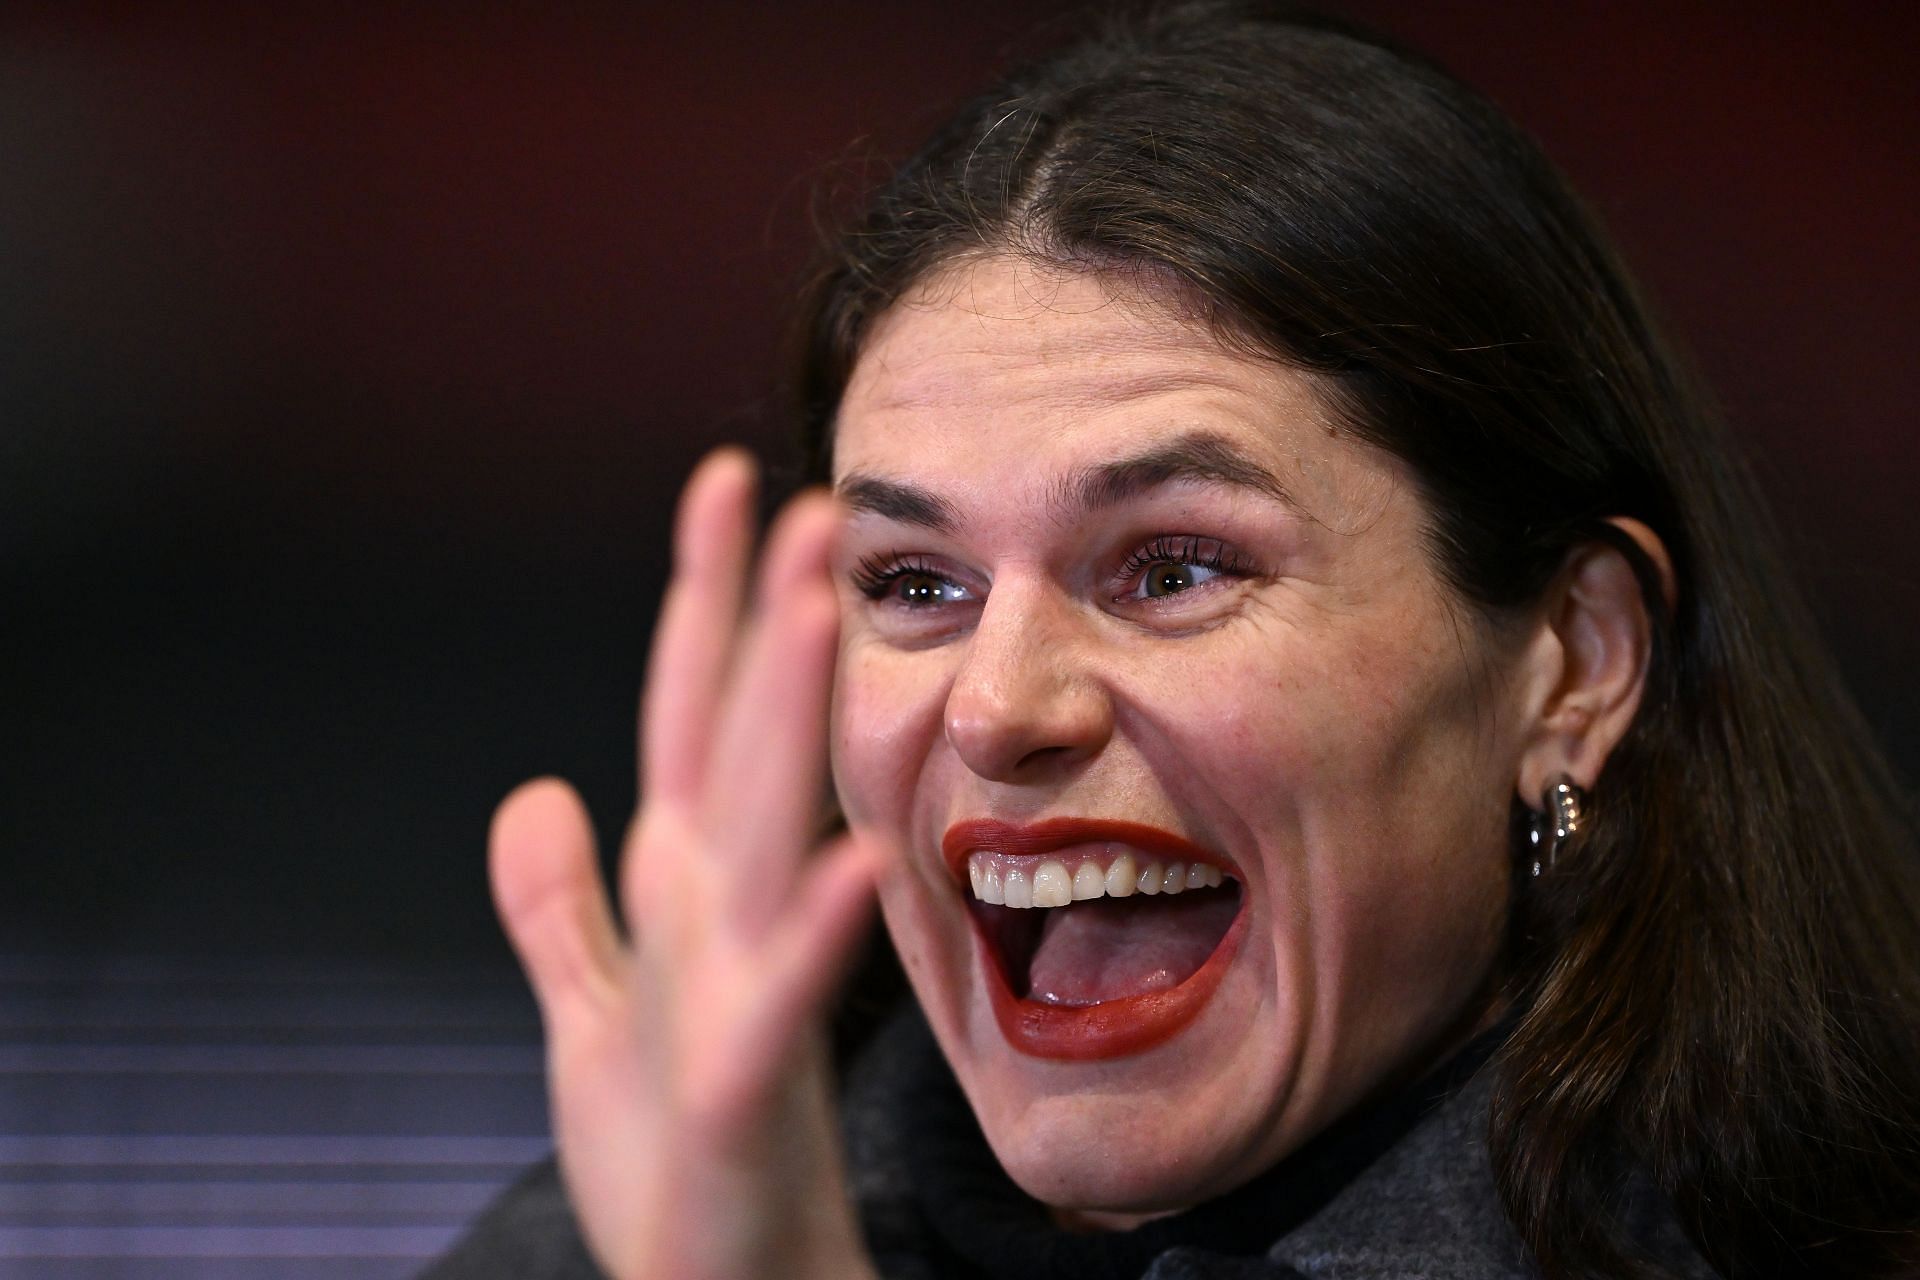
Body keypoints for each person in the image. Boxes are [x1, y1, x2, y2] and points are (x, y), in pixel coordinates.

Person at [423, 3, 1920, 1277]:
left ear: (1573, 665)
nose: (997, 707)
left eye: (1175, 566)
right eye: (917, 585)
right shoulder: (639, 1236)